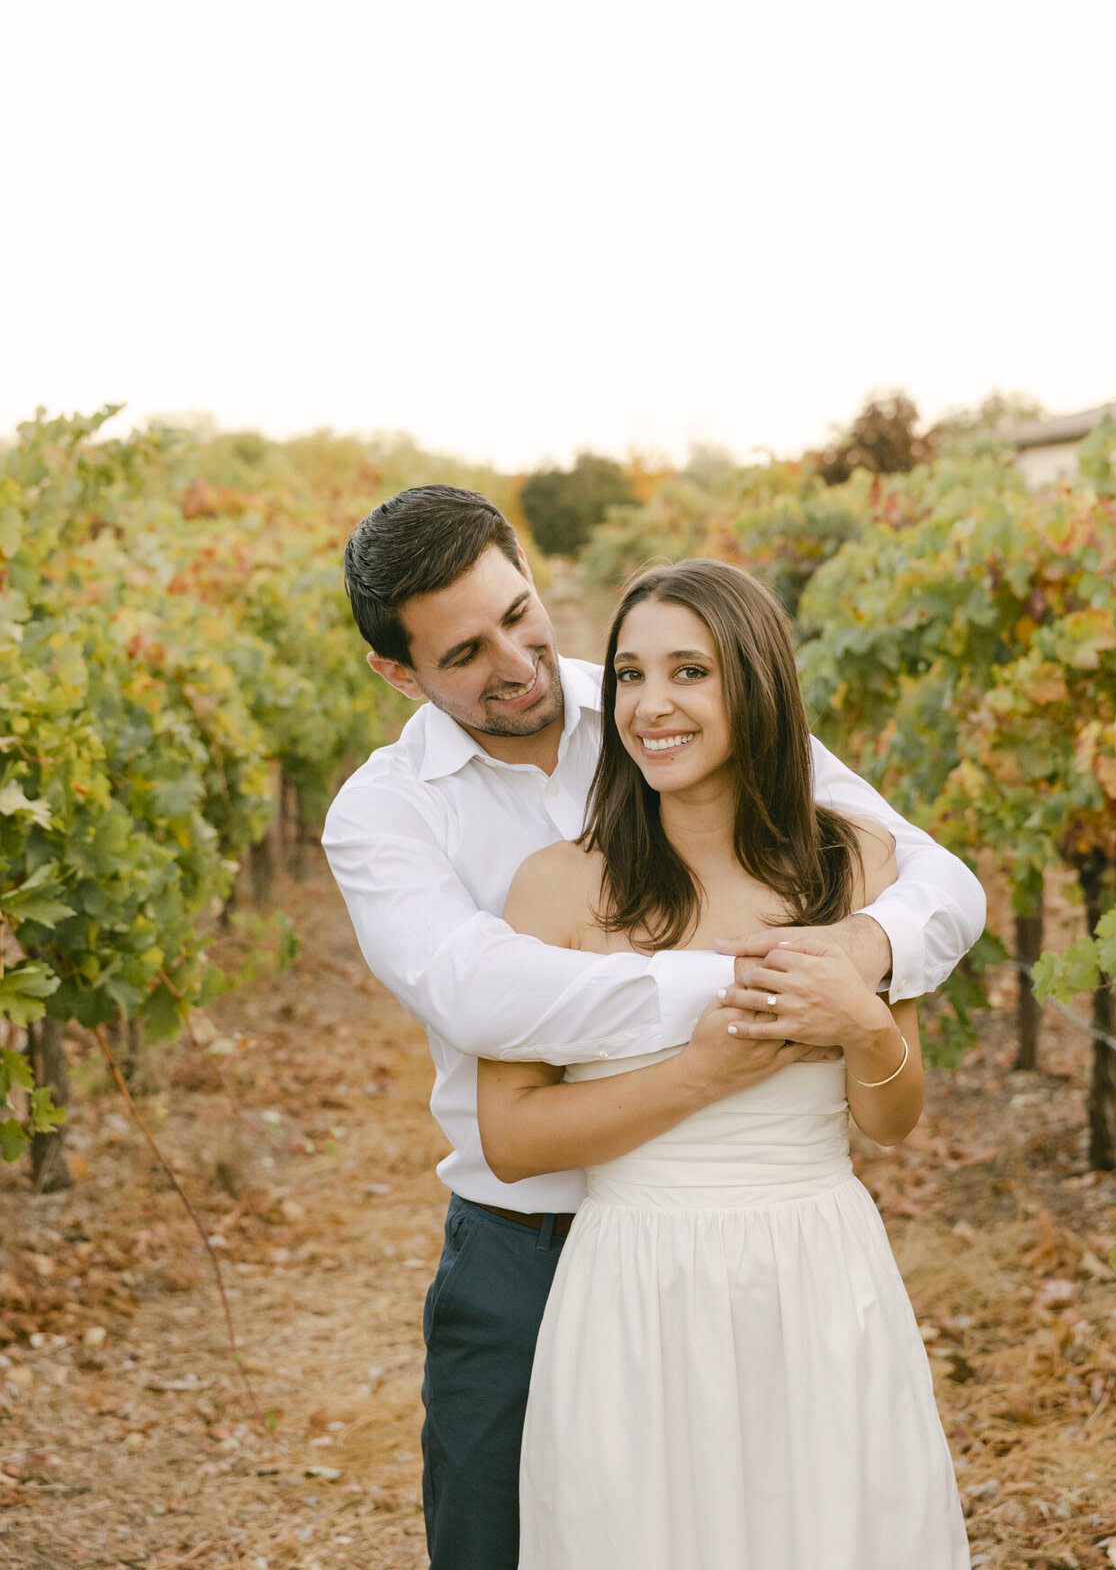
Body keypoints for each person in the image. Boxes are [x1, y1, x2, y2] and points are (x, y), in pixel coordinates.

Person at [322, 485, 985, 1570]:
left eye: (519, 613)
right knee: (507, 1541)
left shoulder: (675, 695)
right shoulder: (386, 813)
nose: (516, 661)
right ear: (401, 674)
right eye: (465, 653)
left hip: (789, 1256)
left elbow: (934, 881)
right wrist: (743, 1004)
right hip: (535, 1252)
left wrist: (858, 964)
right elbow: (485, 994)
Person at [476, 558, 971, 1569]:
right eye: (627, 675)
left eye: (688, 673)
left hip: (818, 1271)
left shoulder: (858, 865)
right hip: (634, 1283)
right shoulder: (558, 890)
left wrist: (868, 1028)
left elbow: (890, 1120)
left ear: (756, 683)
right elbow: (512, 1138)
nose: (650, 706)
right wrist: (705, 1070)